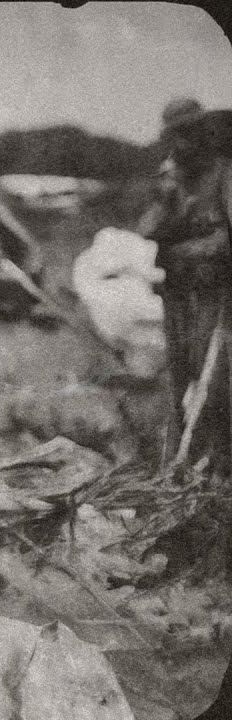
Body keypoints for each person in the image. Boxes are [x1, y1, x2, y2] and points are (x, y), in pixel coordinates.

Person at [137, 97, 232, 474]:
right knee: (179, 374)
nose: (184, 143)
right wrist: (166, 196)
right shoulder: (171, 177)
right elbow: (146, 229)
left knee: (212, 372)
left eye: (191, 133)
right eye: (177, 135)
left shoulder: (223, 172)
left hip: (213, 287)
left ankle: (214, 462)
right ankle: (178, 459)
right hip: (177, 288)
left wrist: (204, 245)